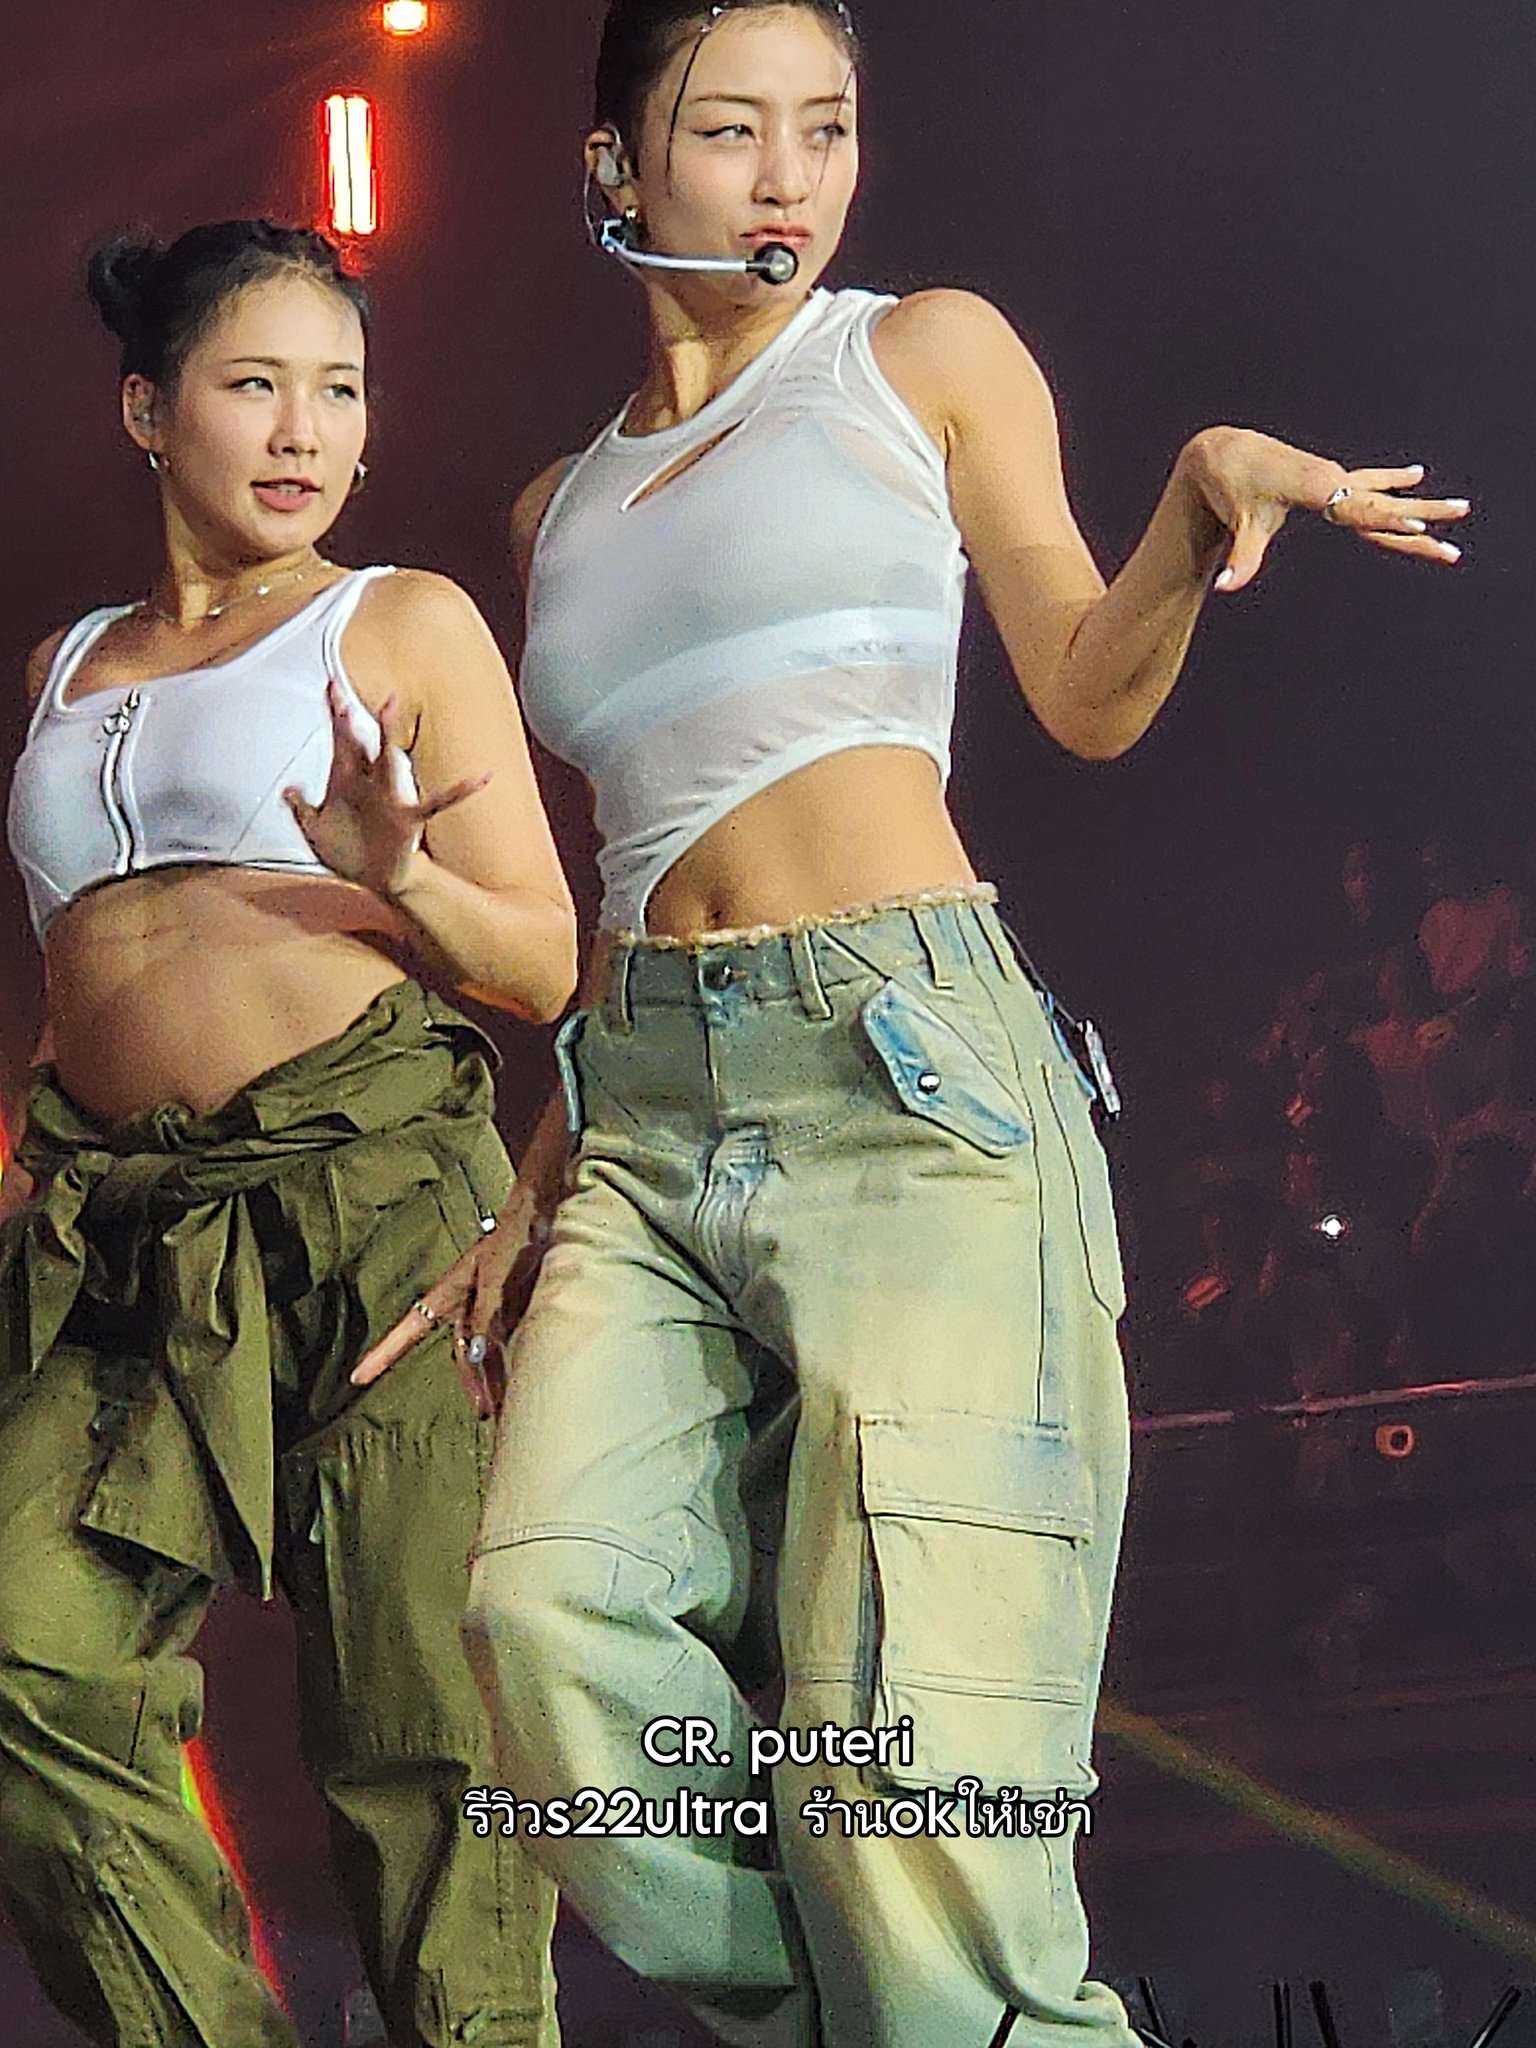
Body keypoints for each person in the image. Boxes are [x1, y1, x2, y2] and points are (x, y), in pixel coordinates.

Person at [359, 4, 1471, 2041]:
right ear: (615, 168)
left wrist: (1191, 509)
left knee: (905, 1786)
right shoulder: (554, 512)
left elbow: (1084, 689)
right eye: (730, 130)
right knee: (543, 1623)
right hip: (645, 1114)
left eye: (829, 126)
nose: (790, 176)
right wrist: (541, 1169)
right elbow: (629, 870)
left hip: (905, 1072)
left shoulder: (917, 355)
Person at [0, 221, 575, 2048]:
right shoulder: (61, 664)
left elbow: (547, 960)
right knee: (22, 1653)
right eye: (255, 384)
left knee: (421, 1742)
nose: (304, 428)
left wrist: (403, 877)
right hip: (126, 1238)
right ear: (146, 411)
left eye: (340, 389)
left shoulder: (398, 619)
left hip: (373, 1208)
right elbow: (83, 979)